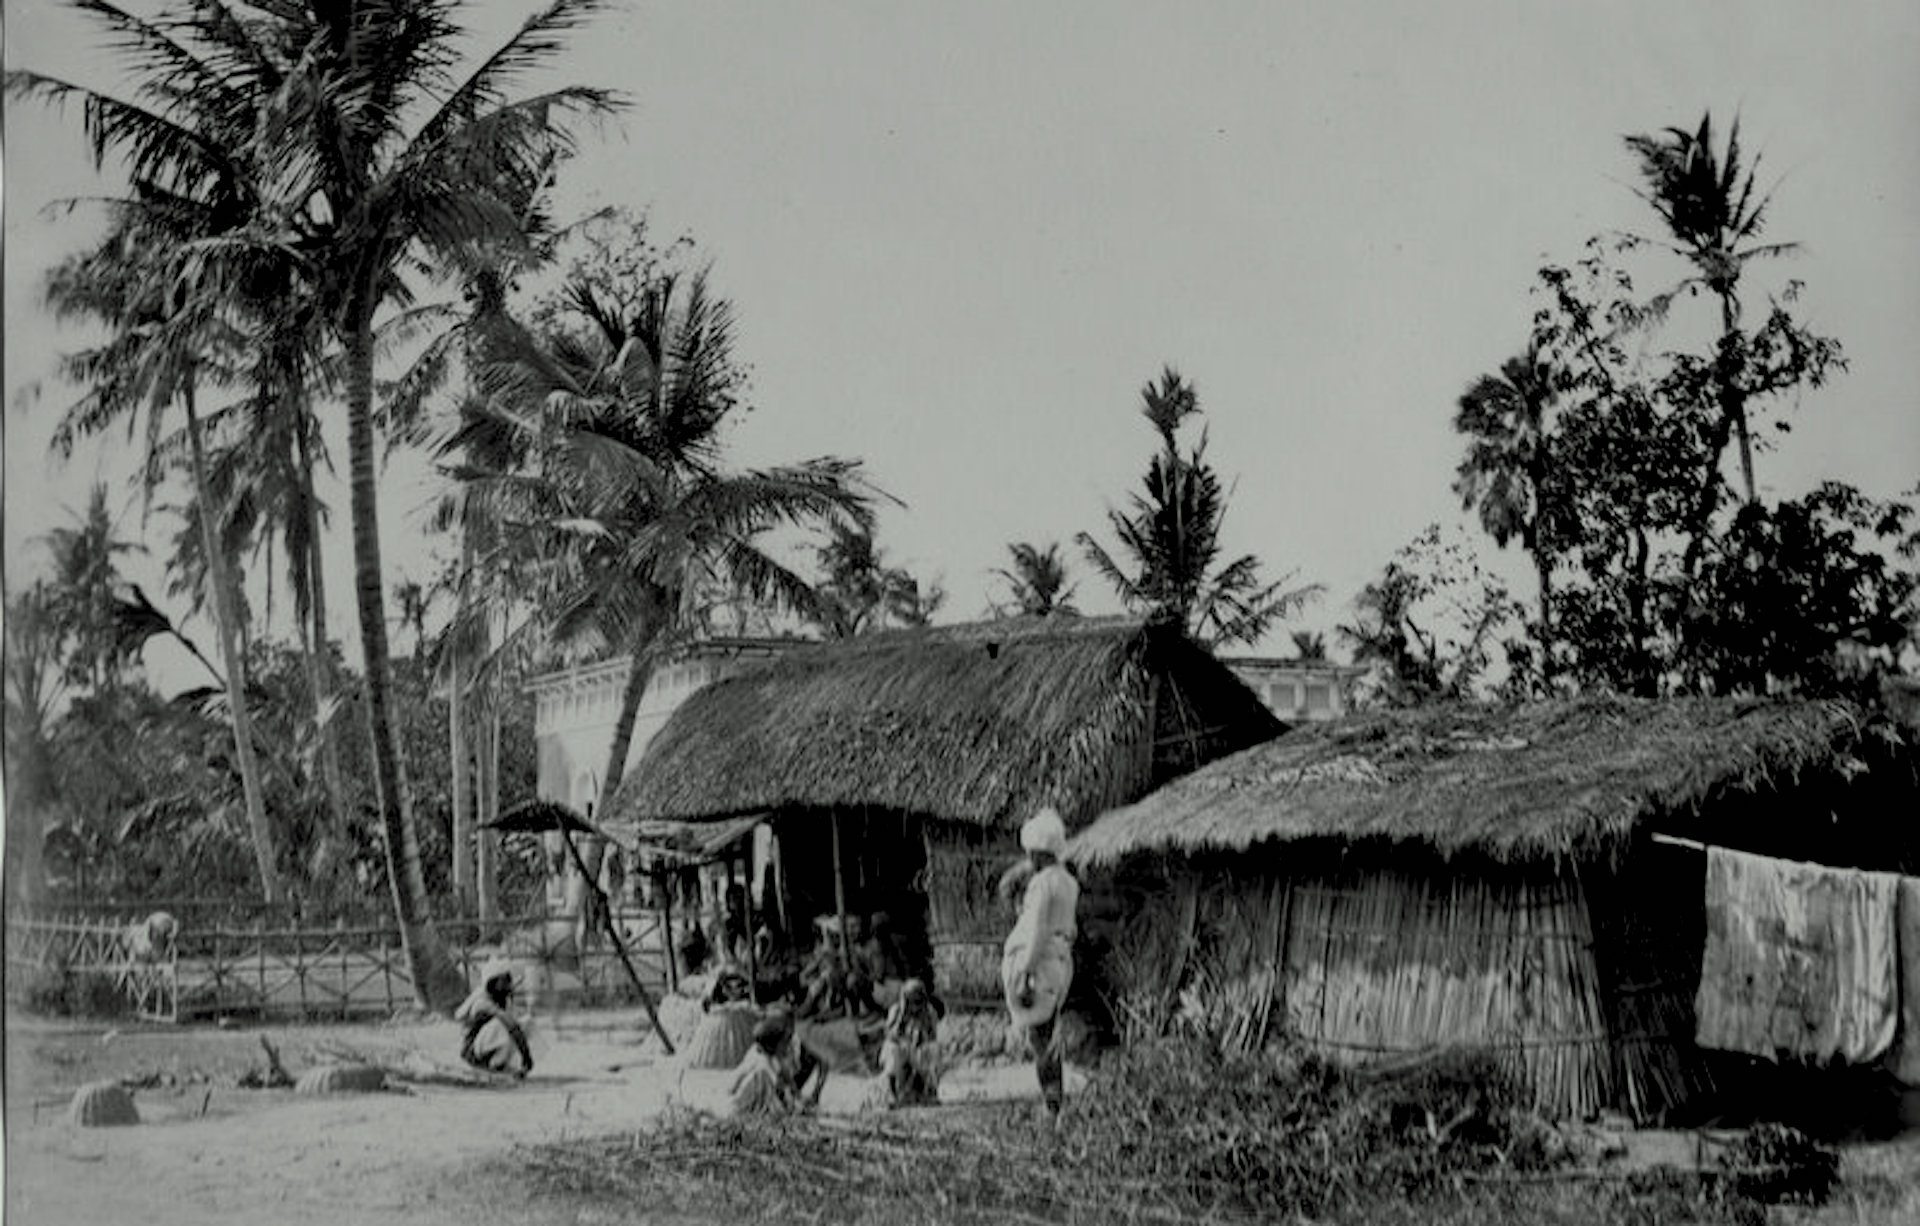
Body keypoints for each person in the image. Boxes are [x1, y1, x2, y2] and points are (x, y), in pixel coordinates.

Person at [1000, 806, 1080, 1117]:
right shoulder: (1069, 883)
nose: (1029, 859)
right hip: (1058, 965)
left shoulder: (1043, 884)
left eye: (1032, 853)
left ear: (1040, 853)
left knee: (1040, 1038)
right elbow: (1068, 930)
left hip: (1041, 967)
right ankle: (1054, 1101)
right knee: (1047, 1032)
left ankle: (1052, 1104)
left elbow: (1038, 930)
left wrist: (1024, 973)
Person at [728, 1008, 829, 1116]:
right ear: (775, 1043)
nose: (788, 1044)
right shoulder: (762, 1067)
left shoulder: (769, 1056)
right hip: (743, 1105)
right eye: (785, 1041)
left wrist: (798, 1096)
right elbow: (776, 1101)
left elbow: (786, 1079)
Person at [456, 958, 534, 1078]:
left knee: (527, 1022)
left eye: (507, 980)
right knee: (502, 1025)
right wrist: (526, 1056)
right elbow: (511, 1025)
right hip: (472, 1051)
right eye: (503, 981)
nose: (507, 984)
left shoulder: (502, 1000)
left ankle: (502, 1063)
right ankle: (492, 1066)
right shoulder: (483, 1002)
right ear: (492, 982)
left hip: (486, 1045)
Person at [879, 977, 946, 1107]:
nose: (915, 1006)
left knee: (934, 1049)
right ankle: (892, 1094)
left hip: (918, 1051)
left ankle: (931, 1092)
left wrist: (922, 1026)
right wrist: (902, 1018)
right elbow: (890, 1036)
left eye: (918, 1001)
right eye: (911, 1001)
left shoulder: (929, 1012)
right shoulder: (896, 1010)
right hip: (902, 1051)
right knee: (892, 1049)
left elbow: (932, 1037)